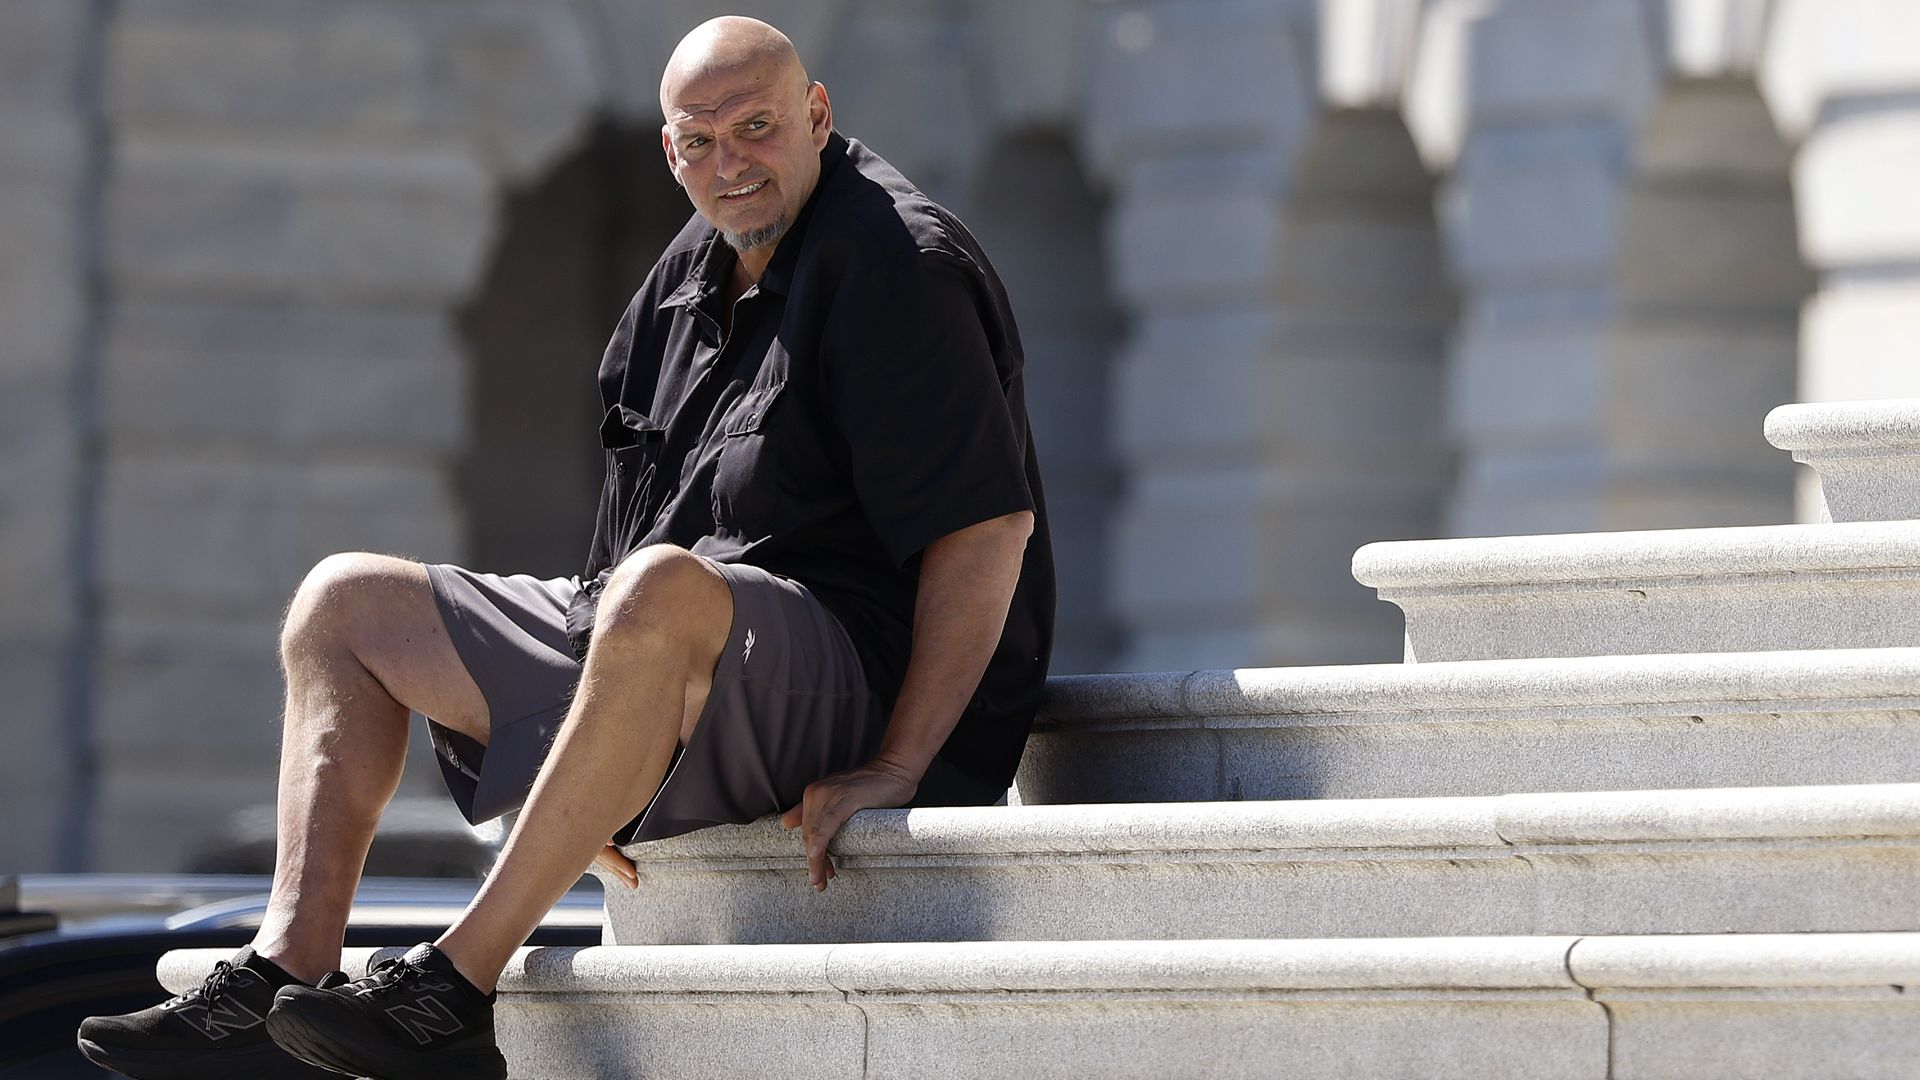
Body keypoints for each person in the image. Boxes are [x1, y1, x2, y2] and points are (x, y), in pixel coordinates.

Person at [76, 15, 1053, 1080]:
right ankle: (280, 973)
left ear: (817, 115)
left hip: (860, 678)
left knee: (661, 589)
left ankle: (455, 988)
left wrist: (901, 765)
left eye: (758, 128)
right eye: (699, 142)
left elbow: (986, 529)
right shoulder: (686, 273)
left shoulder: (898, 263)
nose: (730, 165)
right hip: (684, 654)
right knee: (343, 603)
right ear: (670, 152)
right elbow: (625, 531)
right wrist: (583, 756)